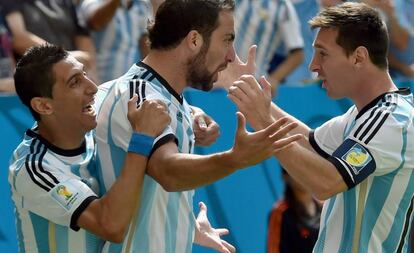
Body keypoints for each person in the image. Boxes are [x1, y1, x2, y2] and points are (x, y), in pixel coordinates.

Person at [95, 0, 302, 252]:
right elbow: (168, 172)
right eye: (227, 40)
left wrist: (186, 225)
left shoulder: (169, 98)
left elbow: (153, 195)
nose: (230, 56)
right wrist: (235, 159)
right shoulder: (139, 95)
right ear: (194, 40)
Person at [228, 2, 414, 252]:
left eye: (322, 53)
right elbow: (309, 142)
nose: (313, 66)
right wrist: (255, 95)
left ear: (359, 57)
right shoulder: (362, 115)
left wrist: (263, 120)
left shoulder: (393, 120)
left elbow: (326, 182)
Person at [8, 44, 171, 252]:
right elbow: (111, 225)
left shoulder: (92, 122)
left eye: (84, 74)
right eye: (75, 82)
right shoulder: (33, 169)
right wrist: (142, 138)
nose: (92, 87)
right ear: (44, 106)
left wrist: (193, 114)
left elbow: (128, 91)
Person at [1, 0, 98, 82]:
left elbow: (82, 36)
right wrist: (63, 56)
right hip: (40, 81)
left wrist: (91, 75)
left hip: (74, 75)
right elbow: (18, 38)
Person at [233, 0, 304, 94]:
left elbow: (297, 54)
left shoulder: (282, 6)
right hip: (218, 83)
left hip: (253, 86)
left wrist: (274, 79)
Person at [77, 0, 152, 82]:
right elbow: (95, 23)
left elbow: (144, 44)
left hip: (131, 81)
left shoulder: (142, 4)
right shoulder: (93, 2)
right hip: (101, 82)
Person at [267, 168, 322, 253]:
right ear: (285, 177)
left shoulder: (323, 205)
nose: (303, 176)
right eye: (297, 170)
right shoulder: (280, 212)